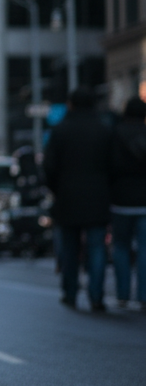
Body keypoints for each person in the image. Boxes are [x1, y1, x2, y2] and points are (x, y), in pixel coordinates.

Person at [43, 86, 112, 311]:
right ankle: (96, 296)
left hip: (68, 196)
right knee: (96, 248)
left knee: (70, 249)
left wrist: (56, 189)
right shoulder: (103, 130)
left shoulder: (60, 130)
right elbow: (113, 165)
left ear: (70, 104)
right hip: (98, 197)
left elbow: (49, 167)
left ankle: (70, 292)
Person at [109, 96, 146, 310]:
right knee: (144, 249)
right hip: (144, 201)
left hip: (120, 200)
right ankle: (143, 295)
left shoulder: (115, 134)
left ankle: (123, 294)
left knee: (121, 247)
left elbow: (109, 167)